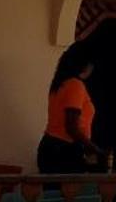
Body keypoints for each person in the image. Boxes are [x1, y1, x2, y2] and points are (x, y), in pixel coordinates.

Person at [39, 41, 99, 174]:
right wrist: (92, 147)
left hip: (50, 146)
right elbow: (71, 126)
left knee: (52, 193)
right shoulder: (75, 85)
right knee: (69, 192)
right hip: (63, 150)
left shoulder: (60, 83)